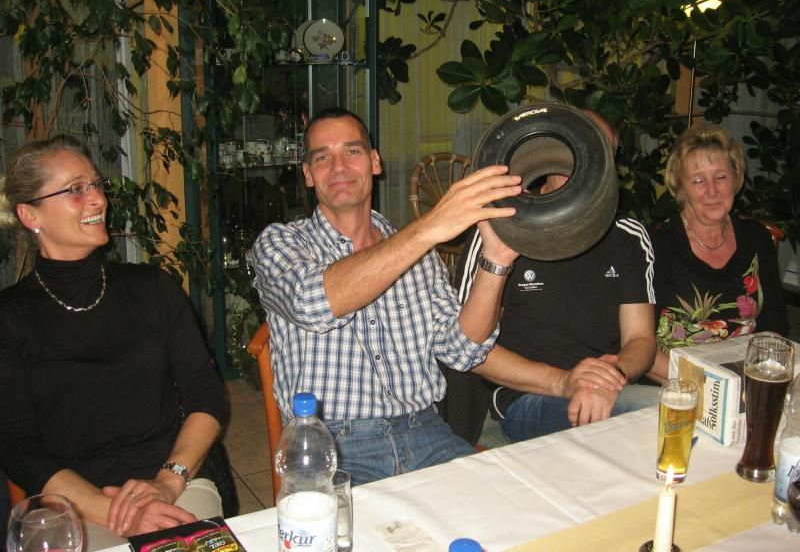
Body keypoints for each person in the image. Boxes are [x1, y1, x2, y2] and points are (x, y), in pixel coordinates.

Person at [249, 107, 522, 486]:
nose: (339, 167)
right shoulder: (280, 243)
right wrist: (430, 227)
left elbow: (464, 349)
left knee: (507, 505)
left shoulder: (417, 252)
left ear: (375, 162)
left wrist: (496, 260)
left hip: (425, 432)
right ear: (308, 175)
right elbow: (312, 303)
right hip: (332, 444)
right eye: (323, 158)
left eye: (352, 151)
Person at [0, 136, 235, 551]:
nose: (98, 199)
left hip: (172, 485)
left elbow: (206, 394)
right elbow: (18, 447)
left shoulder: (152, 288)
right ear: (30, 214)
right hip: (71, 505)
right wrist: (113, 511)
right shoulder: (10, 318)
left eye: (96, 184)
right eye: (75, 190)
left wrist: (167, 482)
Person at [444, 110, 659, 444]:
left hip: (611, 390)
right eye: (583, 142)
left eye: (602, 150)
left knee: (683, 413)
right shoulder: (503, 230)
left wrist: (610, 376)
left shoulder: (628, 236)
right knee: (662, 419)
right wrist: (565, 382)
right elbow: (468, 351)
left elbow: (641, 340)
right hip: (530, 398)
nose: (590, 157)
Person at [647, 123, 789, 382]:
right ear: (680, 188)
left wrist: (755, 379)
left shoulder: (756, 237)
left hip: (745, 379)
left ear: (735, 179)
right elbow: (638, 345)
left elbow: (774, 327)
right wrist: (709, 387)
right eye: (698, 180)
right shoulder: (657, 244)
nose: (712, 191)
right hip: (676, 384)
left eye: (721, 177)